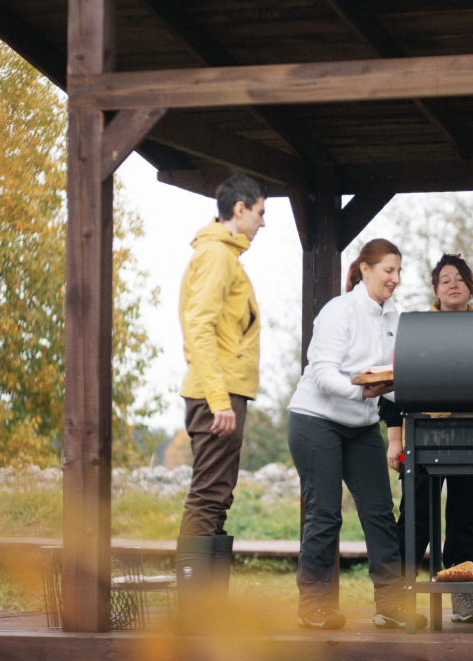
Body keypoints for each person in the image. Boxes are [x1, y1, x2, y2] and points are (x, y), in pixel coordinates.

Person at [287, 239, 426, 632]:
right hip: (316, 420)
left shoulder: (393, 316)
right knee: (326, 513)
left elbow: (396, 375)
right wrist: (362, 390)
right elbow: (322, 372)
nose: (396, 279)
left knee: (380, 514)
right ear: (365, 270)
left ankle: (391, 606)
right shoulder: (339, 311)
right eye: (389, 271)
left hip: (362, 426)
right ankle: (312, 606)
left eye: (399, 271)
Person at [382, 253, 473, 624]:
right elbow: (394, 386)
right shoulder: (416, 328)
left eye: (460, 278)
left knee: (465, 519)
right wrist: (395, 442)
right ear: (435, 289)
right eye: (445, 279)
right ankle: (396, 599)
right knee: (415, 517)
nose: (453, 284)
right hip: (425, 434)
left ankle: (462, 597)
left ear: (471, 287)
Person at [176, 172, 266, 601]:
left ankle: (206, 609)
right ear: (240, 209)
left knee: (217, 497)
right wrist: (218, 399)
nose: (263, 222)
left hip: (226, 392)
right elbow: (199, 326)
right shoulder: (216, 256)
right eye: (261, 212)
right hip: (219, 395)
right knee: (208, 497)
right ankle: (195, 611)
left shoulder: (223, 257)